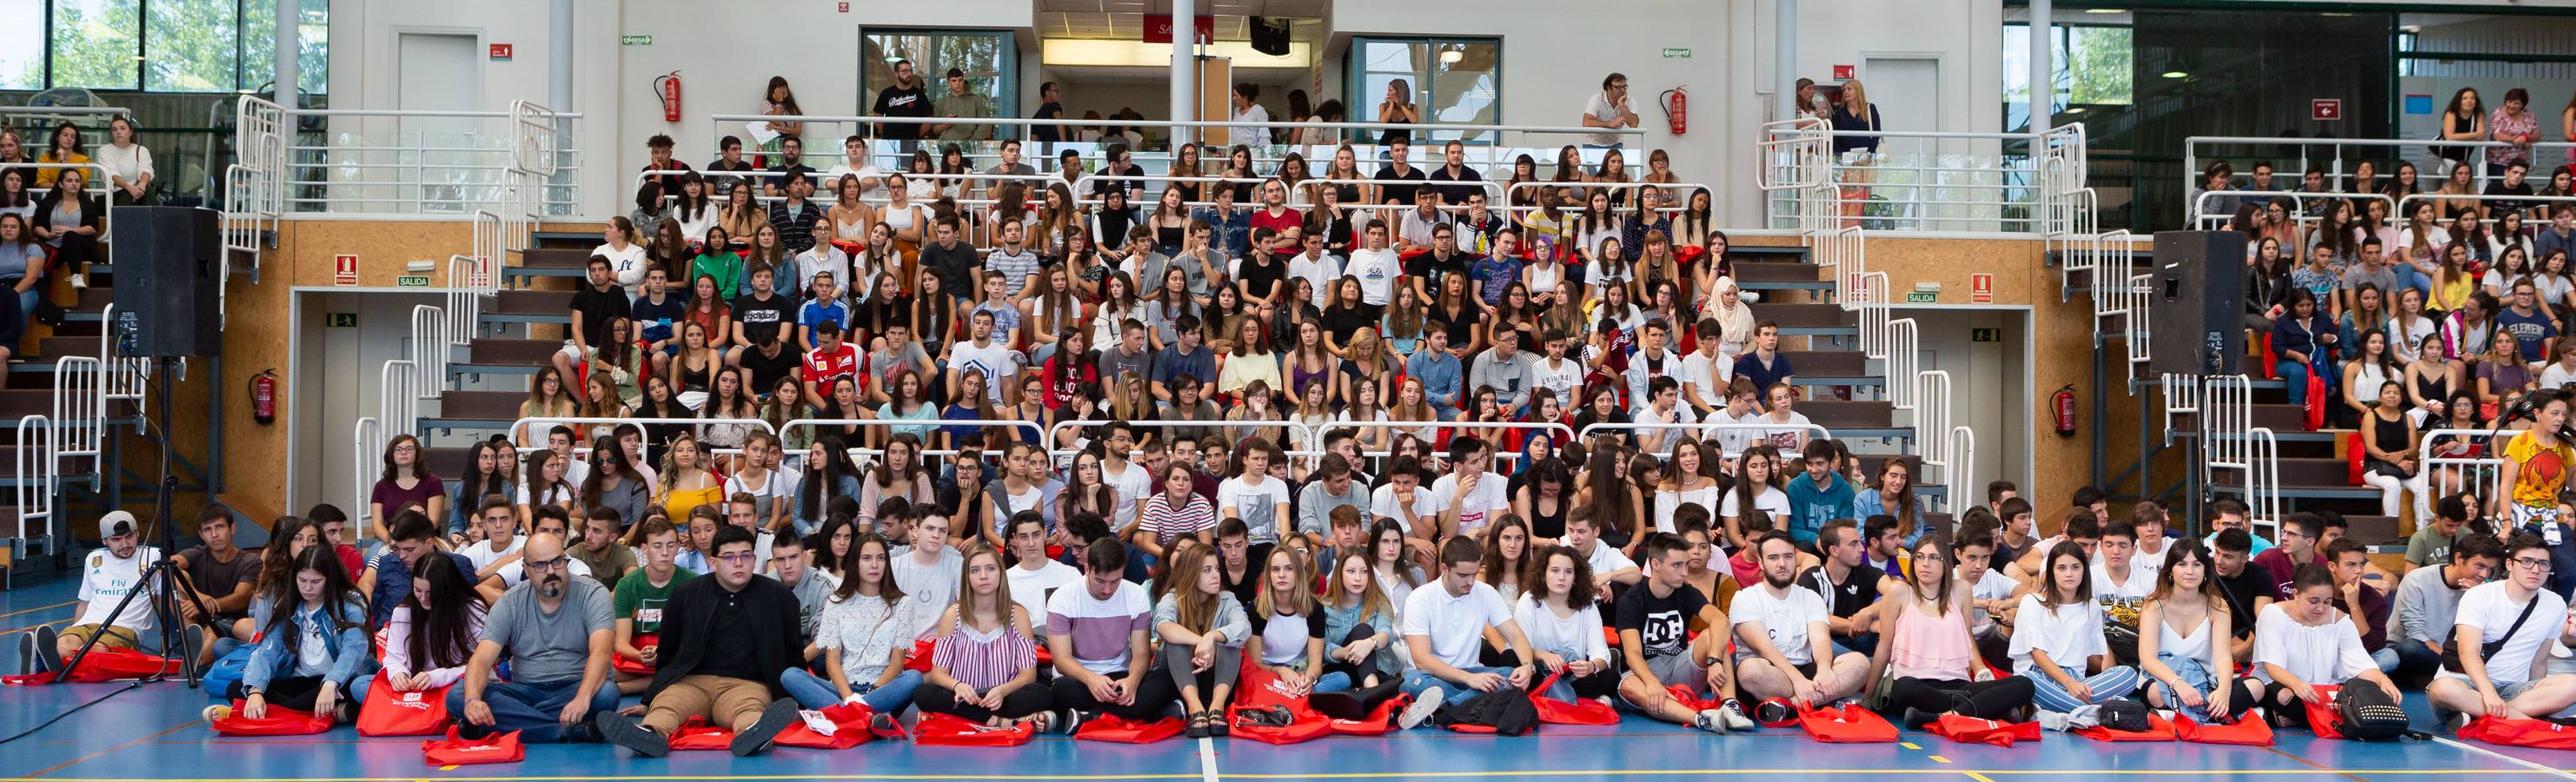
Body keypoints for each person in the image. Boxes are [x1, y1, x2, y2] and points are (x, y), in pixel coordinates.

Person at [595, 525, 805, 758]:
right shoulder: (687, 593)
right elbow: (668, 650)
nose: (738, 563)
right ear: (713, 562)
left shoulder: (779, 597)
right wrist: (652, 697)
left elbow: (793, 651)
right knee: (667, 705)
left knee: (750, 711)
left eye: (745, 556)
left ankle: (754, 735)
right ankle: (648, 734)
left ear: (755, 559)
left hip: (747, 684)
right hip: (691, 682)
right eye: (729, 557)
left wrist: (794, 698)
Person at [451, 532, 621, 745]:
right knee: (459, 695)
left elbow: (602, 652)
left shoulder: (593, 594)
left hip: (575, 686)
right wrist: (474, 700)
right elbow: (482, 660)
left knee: (606, 694)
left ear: (566, 560)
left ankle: (509, 722)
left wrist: (582, 698)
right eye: (540, 565)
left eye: (557, 562)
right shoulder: (510, 602)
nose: (551, 571)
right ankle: (565, 732)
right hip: (526, 690)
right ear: (526, 569)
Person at [1868, 531, 2036, 728]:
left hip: (1959, 685)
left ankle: (1941, 716)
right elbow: (1884, 647)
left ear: (1945, 563)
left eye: (1933, 558)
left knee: (2025, 685)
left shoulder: (1961, 590)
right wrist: (1868, 698)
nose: (1925, 563)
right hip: (1918, 683)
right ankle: (1982, 710)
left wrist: (1976, 672)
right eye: (1920, 557)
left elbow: (1965, 640)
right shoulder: (1900, 592)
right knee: (1904, 687)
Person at [913, 543, 1067, 730]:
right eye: (975, 570)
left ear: (1001, 573)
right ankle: (1003, 722)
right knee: (924, 693)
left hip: (1003, 697)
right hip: (965, 697)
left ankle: (965, 718)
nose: (983, 576)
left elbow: (1028, 674)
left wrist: (1003, 690)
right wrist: (958, 686)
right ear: (967, 577)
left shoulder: (1018, 615)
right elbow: (939, 673)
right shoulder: (953, 615)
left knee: (1041, 693)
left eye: (990, 568)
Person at [2428, 533, 2576, 722]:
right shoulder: (2479, 596)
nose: (2535, 569)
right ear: (2509, 564)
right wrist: (2488, 693)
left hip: (2514, 690)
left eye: (2543, 563)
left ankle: (2485, 716)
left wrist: (2539, 700)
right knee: (2443, 690)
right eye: (2526, 561)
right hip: (2467, 684)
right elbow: (2469, 652)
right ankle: (2527, 721)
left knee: (2572, 685)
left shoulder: (2555, 604)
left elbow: (2539, 661)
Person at [214, 547, 369, 725]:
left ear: (330, 579)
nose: (308, 588)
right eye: (302, 580)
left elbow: (354, 649)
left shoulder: (349, 603)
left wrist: (331, 683)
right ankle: (330, 712)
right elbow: (268, 649)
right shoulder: (290, 604)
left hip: (336, 681)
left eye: (316, 581)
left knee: (351, 687)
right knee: (236, 688)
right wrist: (255, 692)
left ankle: (250, 712)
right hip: (301, 681)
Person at [1396, 535, 1538, 729]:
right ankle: (1473, 706)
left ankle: (1446, 709)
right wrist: (1468, 679)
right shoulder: (1420, 598)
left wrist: (1528, 666)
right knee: (1412, 682)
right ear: (1444, 569)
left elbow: (1515, 634)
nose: (1470, 581)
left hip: (1471, 673)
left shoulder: (1485, 592)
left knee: (1510, 675)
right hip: (1430, 675)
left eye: (1474, 574)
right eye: (1463, 575)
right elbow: (1422, 660)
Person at [1617, 533, 1754, 732]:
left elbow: (1720, 620)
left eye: (1685, 565)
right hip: (1644, 671)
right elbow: (1633, 654)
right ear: (1655, 564)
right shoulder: (1632, 600)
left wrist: (1714, 660)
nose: (1684, 572)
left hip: (1678, 666)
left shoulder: (1687, 592)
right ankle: (1701, 719)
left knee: (1713, 634)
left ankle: (1730, 705)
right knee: (1628, 686)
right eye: (1677, 565)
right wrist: (1652, 682)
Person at [2251, 564, 2405, 728]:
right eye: (2313, 601)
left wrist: (2383, 680)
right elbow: (2272, 665)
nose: (2321, 608)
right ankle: (2312, 718)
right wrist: (2297, 685)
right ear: (2296, 594)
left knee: (2355, 696)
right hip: (2286, 684)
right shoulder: (2273, 614)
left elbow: (2359, 660)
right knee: (2283, 695)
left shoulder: (2341, 621)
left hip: (2323, 690)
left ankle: (2302, 719)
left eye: (2327, 602)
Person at [1731, 531, 1872, 708]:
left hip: (1807, 670)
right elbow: (1764, 648)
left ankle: (1793, 705)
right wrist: (1798, 681)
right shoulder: (1745, 598)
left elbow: (1821, 639)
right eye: (1774, 558)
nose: (1782, 564)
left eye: (1788, 557)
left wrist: (1824, 669)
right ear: (1761, 562)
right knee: (1749, 670)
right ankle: (1820, 700)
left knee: (1859, 663)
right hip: (1770, 672)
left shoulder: (1810, 597)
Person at [2013, 540, 2142, 730]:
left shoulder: (2092, 606)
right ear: (2051, 572)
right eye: (2062, 568)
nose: (2069, 574)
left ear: (2084, 570)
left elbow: (2093, 659)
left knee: (2129, 674)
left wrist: (2107, 671)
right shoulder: (2032, 602)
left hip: (2079, 684)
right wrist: (2069, 683)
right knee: (2026, 682)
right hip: (2040, 677)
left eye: (2075, 567)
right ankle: (2101, 713)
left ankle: (2053, 713)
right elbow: (2037, 654)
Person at [1048, 537, 1178, 722]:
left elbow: (1141, 654)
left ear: (1123, 572)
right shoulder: (1062, 598)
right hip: (1078, 678)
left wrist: (1132, 681)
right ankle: (1144, 713)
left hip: (1120, 676)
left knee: (1167, 679)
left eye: (1115, 581)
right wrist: (1091, 679)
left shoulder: (1136, 595)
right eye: (1100, 581)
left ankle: (1091, 717)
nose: (1108, 589)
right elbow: (1062, 660)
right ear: (1086, 569)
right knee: (1062, 691)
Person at [2136, 537, 2255, 724]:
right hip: (2163, 679)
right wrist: (2179, 684)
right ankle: (2215, 713)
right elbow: (2147, 658)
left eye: (2197, 564)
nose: (2190, 571)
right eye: (2182, 564)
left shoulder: (2218, 606)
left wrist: (2224, 690)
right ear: (2170, 570)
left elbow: (2223, 657)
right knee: (2155, 694)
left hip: (2206, 681)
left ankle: (2178, 715)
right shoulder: (2153, 606)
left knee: (2256, 686)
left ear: (2205, 571)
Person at [364, 553, 488, 709]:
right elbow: (393, 657)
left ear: (447, 588)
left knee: (460, 694)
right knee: (360, 685)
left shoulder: (472, 609)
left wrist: (438, 677)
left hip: (454, 682)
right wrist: (398, 674)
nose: (423, 598)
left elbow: (480, 664)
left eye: (431, 593)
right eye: (418, 590)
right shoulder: (403, 611)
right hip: (417, 684)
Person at [2393, 533, 2502, 683]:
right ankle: (2453, 675)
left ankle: (2435, 677)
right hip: (2419, 648)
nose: (2485, 575)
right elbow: (2415, 633)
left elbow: (2491, 632)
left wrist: (2477, 596)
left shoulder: (2480, 590)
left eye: (2490, 569)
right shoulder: (2417, 580)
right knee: (2411, 649)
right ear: (2458, 559)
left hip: (2452, 652)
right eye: (2479, 566)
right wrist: (2451, 659)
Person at [611, 517, 695, 693]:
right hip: (637, 653)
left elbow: (692, 638)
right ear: (644, 549)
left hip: (675, 654)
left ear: (678, 547)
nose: (665, 552)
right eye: (657, 546)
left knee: (694, 668)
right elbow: (620, 643)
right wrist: (641, 656)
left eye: (671, 545)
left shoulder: (692, 583)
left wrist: (663, 652)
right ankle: (657, 684)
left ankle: (623, 689)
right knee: (604, 671)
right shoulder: (626, 585)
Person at [170, 505, 256, 665]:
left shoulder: (249, 561)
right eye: (208, 530)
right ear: (201, 535)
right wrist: (198, 597)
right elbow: (167, 567)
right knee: (173, 582)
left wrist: (205, 606)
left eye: (219, 527)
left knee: (211, 639)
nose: (214, 534)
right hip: (194, 618)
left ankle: (196, 658)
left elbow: (241, 598)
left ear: (232, 528)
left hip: (227, 621)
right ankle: (192, 639)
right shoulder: (197, 553)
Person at [872, 59, 933, 144]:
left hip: (912, 141)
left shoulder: (920, 95)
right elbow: (877, 116)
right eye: (904, 71)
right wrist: (886, 132)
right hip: (889, 141)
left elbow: (928, 120)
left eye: (911, 71)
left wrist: (917, 135)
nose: (909, 74)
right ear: (896, 74)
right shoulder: (886, 93)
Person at [1581, 73, 1639, 149]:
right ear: (1608, 88)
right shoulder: (1596, 99)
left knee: (1617, 160)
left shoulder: (1629, 100)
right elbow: (1586, 122)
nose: (1622, 90)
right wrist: (1609, 124)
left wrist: (1621, 105)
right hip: (1592, 143)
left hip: (1616, 143)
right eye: (1618, 87)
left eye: (1624, 87)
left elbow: (1634, 124)